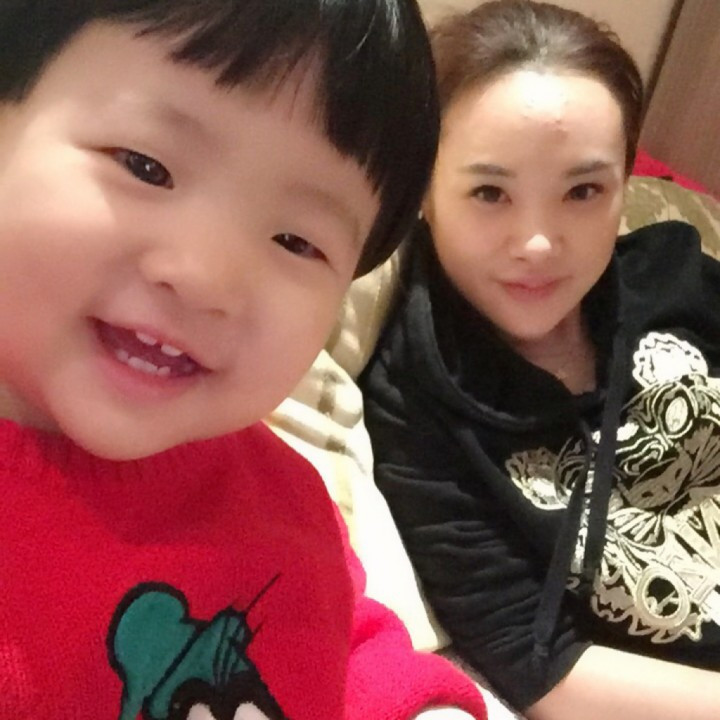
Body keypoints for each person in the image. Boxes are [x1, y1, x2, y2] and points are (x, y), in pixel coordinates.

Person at [0, 2, 490, 719]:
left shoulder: (282, 499)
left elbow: (331, 637)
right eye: (146, 166)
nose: (207, 277)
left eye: (297, 242)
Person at [360, 1, 720, 718]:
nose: (538, 243)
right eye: (490, 192)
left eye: (583, 191)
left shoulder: (676, 275)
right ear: (423, 191)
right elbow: (538, 662)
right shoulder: (418, 396)